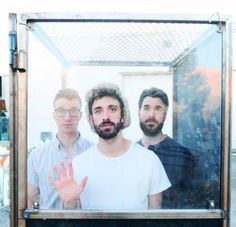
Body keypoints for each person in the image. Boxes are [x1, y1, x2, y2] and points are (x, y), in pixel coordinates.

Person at [49, 82, 171, 210]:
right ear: (91, 119)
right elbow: (73, 220)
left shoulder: (149, 161)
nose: (105, 117)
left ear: (123, 115)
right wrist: (69, 202)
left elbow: (155, 219)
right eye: (98, 111)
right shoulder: (78, 165)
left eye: (112, 109)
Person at [27, 88, 93, 209]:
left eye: (73, 111)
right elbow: (29, 199)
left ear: (80, 115)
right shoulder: (37, 155)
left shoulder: (94, 152)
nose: (67, 117)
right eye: (61, 111)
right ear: (54, 115)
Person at [137, 87, 195, 208]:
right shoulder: (130, 153)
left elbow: (189, 205)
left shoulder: (183, 155)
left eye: (158, 109)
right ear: (139, 112)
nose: (151, 115)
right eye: (146, 108)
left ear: (165, 115)